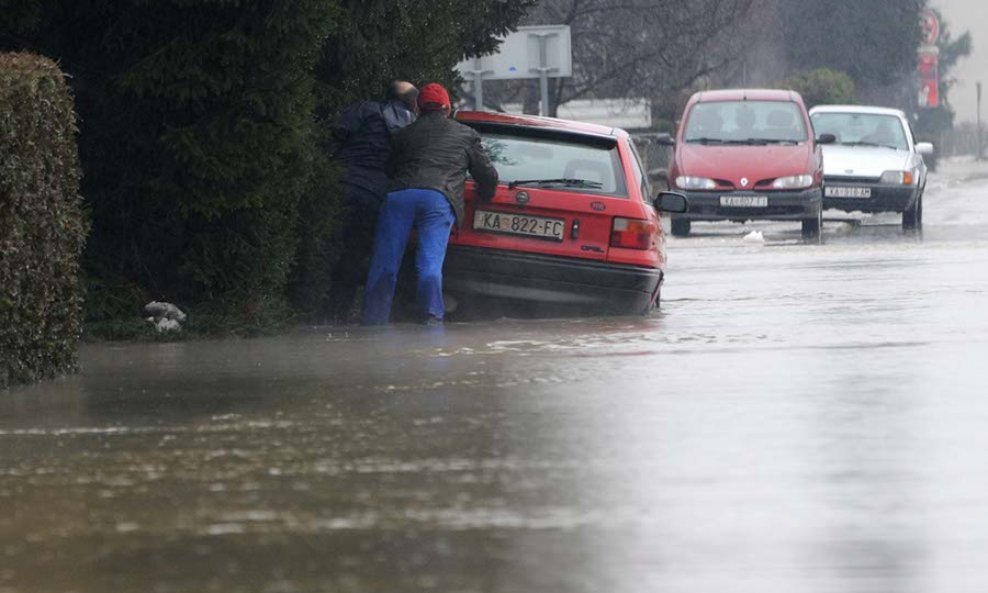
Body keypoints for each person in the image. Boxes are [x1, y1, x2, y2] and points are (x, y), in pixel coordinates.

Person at [362, 82, 498, 326]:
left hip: (400, 197)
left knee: (385, 264)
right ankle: (432, 319)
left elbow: (390, 168)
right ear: (447, 107)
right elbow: (487, 175)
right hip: (438, 197)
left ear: (419, 108)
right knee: (429, 264)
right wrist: (486, 194)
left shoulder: (404, 134)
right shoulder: (466, 135)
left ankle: (373, 323)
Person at [330, 80, 418, 323]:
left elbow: (336, 132)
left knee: (327, 249)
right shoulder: (412, 126)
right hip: (377, 196)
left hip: (343, 184)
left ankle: (311, 308)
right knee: (354, 254)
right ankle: (337, 314)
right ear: (412, 102)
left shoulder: (365, 109)